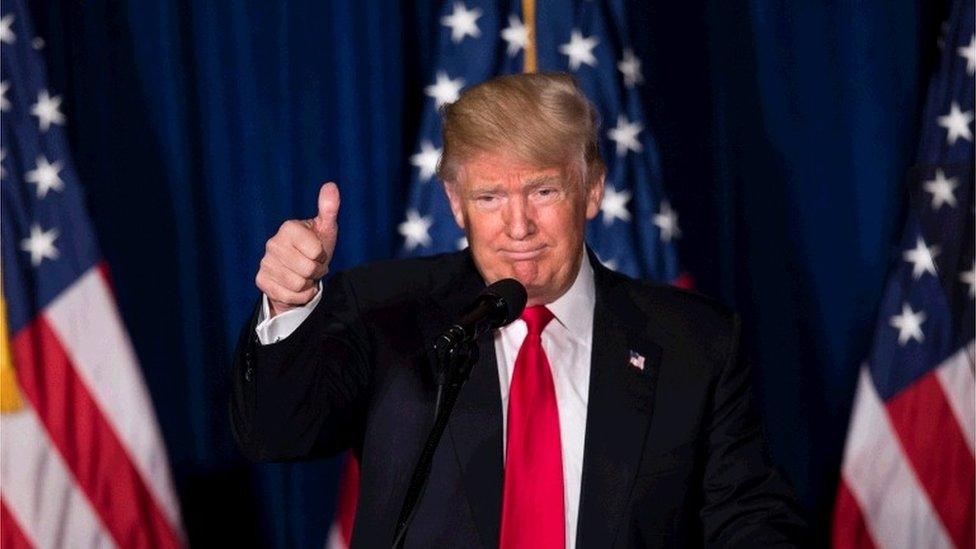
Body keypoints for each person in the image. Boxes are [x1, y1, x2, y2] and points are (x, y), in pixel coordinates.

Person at [231, 72, 807, 548]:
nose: (518, 226)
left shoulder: (695, 343)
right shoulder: (387, 313)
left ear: (593, 189)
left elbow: (748, 519)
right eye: (489, 197)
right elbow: (277, 435)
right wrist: (289, 305)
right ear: (456, 204)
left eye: (543, 191)